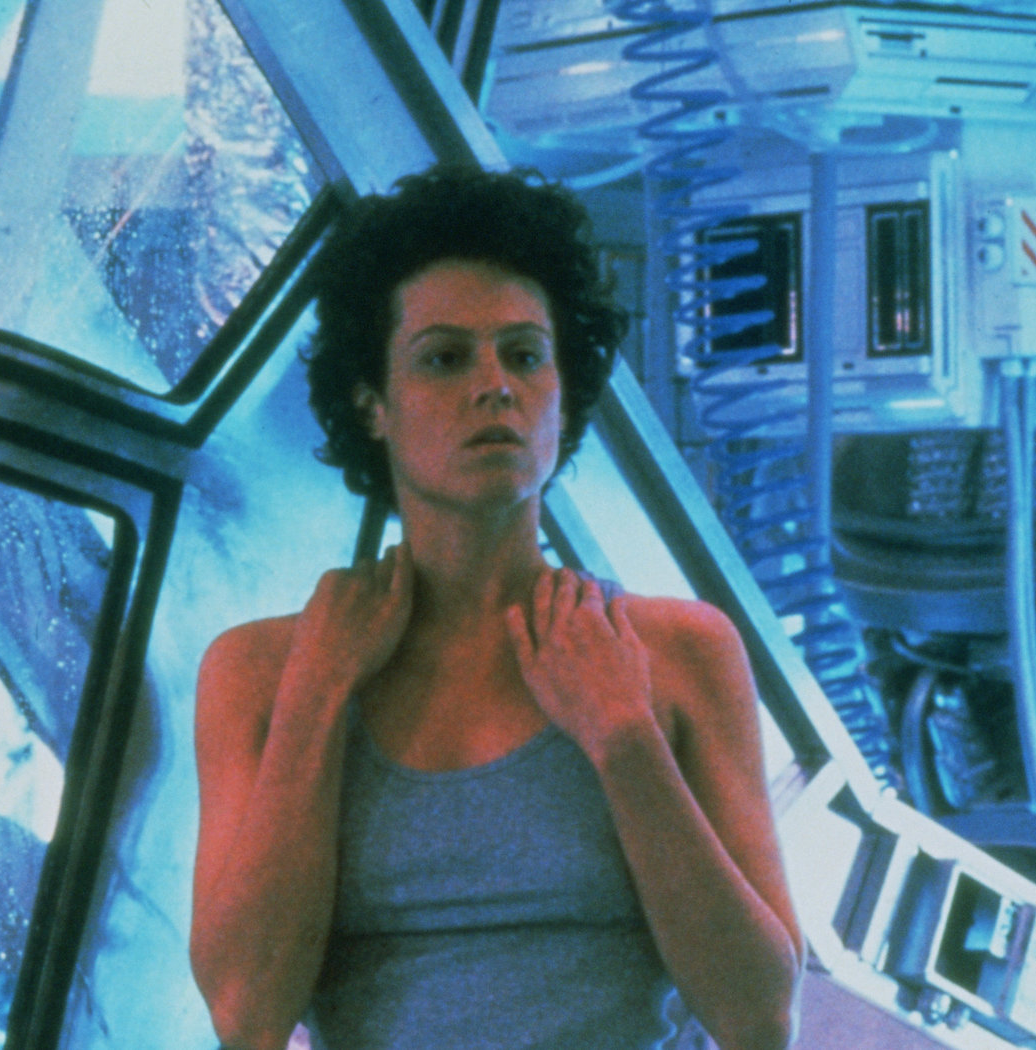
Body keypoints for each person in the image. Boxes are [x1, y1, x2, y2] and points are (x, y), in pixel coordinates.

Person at [188, 165, 802, 1050]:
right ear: (372, 404)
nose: (495, 385)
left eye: (525, 355)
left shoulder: (678, 650)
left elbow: (759, 1017)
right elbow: (246, 1015)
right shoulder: (260, 672)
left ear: (564, 387)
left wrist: (624, 738)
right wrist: (315, 700)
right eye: (444, 358)